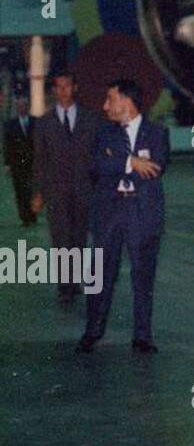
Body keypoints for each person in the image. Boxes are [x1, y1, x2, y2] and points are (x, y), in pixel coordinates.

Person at [77, 78, 168, 355]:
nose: (105, 106)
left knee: (143, 275)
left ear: (126, 103)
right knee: (101, 274)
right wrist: (130, 162)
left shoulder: (157, 133)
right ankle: (92, 331)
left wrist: (116, 162)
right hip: (109, 213)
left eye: (110, 99)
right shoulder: (103, 133)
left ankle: (142, 336)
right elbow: (95, 166)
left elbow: (156, 167)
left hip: (142, 213)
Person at [32, 72, 102, 302]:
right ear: (54, 90)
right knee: (61, 237)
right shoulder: (44, 123)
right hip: (56, 190)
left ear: (75, 87)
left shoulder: (91, 119)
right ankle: (65, 286)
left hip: (84, 189)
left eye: (67, 85)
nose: (63, 90)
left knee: (79, 237)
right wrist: (38, 192)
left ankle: (75, 279)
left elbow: (99, 155)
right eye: (59, 87)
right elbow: (39, 160)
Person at [3, 93, 38, 226]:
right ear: (17, 108)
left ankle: (32, 214)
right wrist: (7, 164)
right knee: (20, 191)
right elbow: (7, 145)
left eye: (24, 105)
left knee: (32, 190)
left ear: (27, 106)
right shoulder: (10, 124)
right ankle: (24, 217)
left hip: (32, 163)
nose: (21, 108)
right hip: (17, 163)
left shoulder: (35, 122)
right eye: (19, 106)